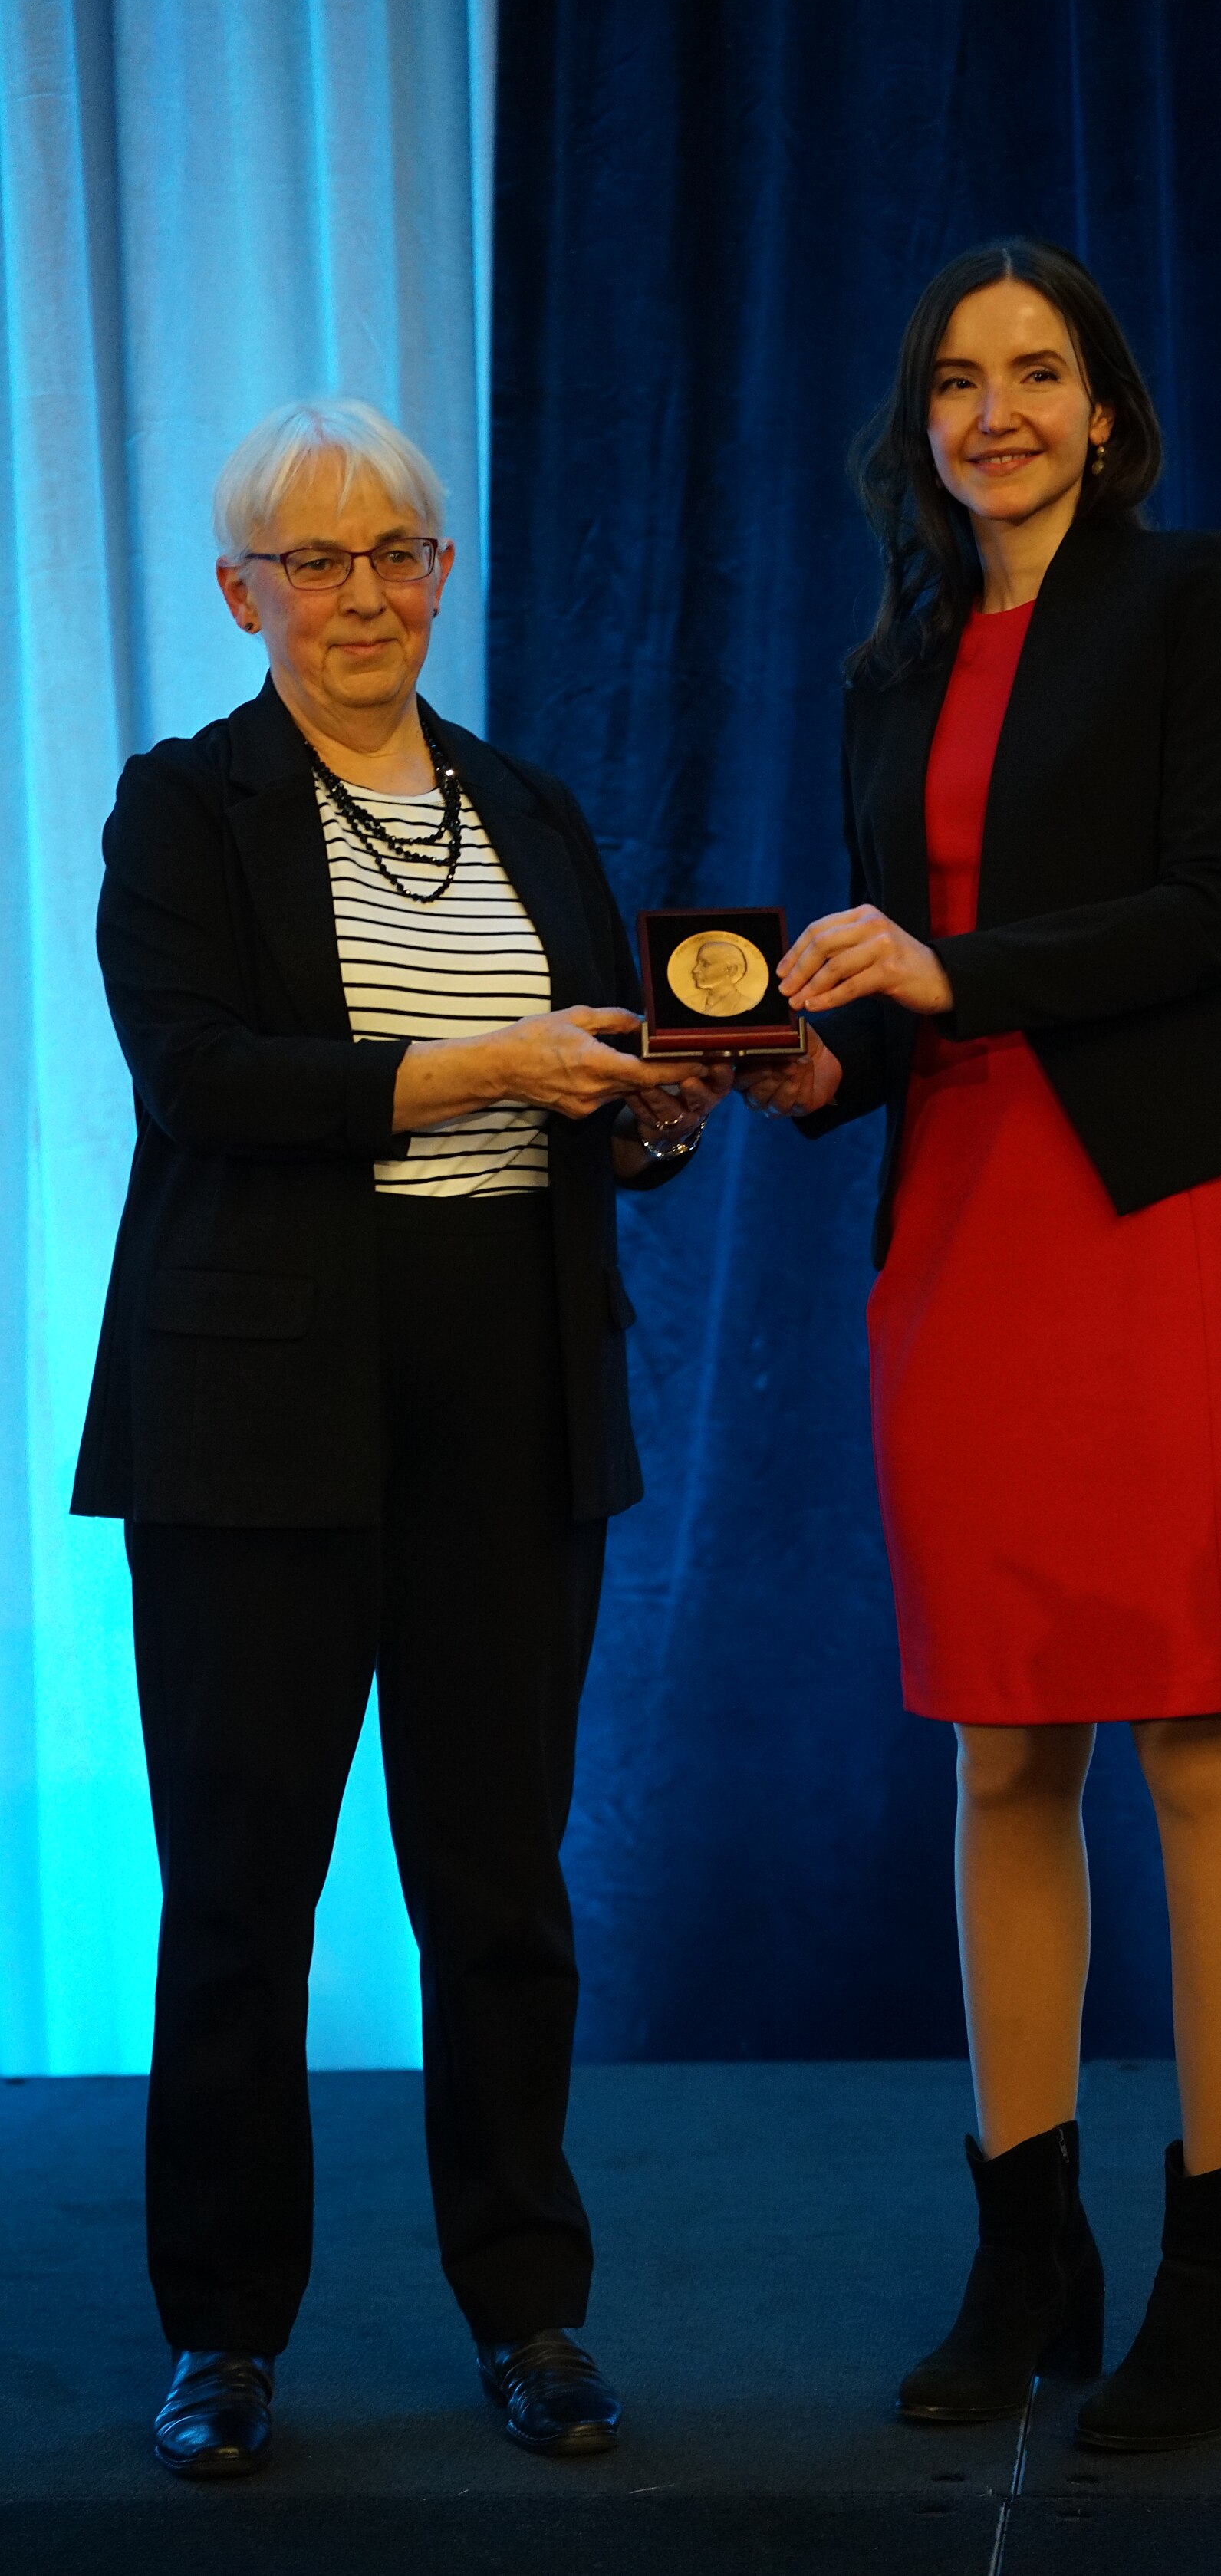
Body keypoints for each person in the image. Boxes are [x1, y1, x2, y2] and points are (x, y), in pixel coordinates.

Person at [71, 397, 726, 2479]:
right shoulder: (184, 811)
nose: (364, 595)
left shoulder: (527, 803)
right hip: (256, 1412)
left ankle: (528, 2302)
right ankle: (227, 2331)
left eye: (398, 553)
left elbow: (569, 1090)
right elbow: (203, 1080)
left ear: (442, 574)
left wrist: (637, 1112)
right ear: (241, 593)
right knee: (240, 1891)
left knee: (500, 1887)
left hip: (506, 1401)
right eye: (318, 561)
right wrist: (478, 1066)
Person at [742, 241, 1221, 2451]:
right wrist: (826, 1070)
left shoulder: (1201, 602)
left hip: (1161, 1215)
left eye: (1040, 373)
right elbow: (909, 997)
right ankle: (1029, 2245)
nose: (996, 409)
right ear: (921, 424)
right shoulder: (889, 664)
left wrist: (943, 978)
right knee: (1000, 1749)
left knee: (1195, 1736)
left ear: (1107, 411)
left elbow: (1209, 914)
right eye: (959, 379)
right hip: (967, 1228)